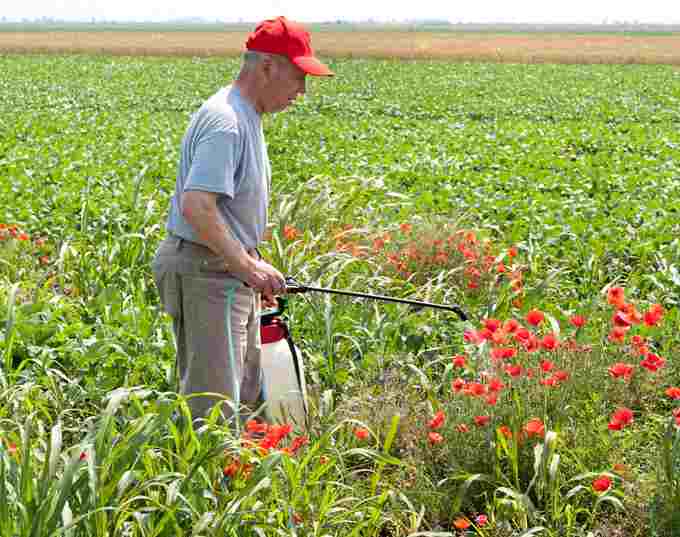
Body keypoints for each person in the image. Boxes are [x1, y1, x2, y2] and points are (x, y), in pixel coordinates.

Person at [152, 16, 333, 423]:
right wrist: (247, 266)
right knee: (214, 410)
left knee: (245, 395)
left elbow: (224, 213)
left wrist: (251, 267)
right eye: (298, 76)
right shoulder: (227, 122)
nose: (302, 91)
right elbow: (197, 206)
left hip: (226, 273)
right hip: (207, 274)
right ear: (267, 67)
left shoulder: (245, 115)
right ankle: (208, 483)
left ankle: (236, 476)